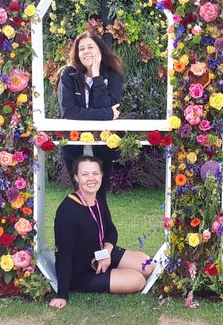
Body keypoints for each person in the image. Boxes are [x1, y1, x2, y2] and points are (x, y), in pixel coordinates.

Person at [48, 155, 154, 308]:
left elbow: (111, 231)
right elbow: (64, 255)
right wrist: (62, 295)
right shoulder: (68, 210)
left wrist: (106, 252)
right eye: (85, 174)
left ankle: (111, 266)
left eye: (95, 173)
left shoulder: (98, 201)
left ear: (102, 175)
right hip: (82, 272)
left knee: (148, 265)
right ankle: (111, 273)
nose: (91, 178)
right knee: (138, 280)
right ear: (76, 177)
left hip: (100, 253)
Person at [56, 30, 123, 194]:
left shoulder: (113, 75)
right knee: (80, 195)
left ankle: (101, 221)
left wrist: (96, 76)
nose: (86, 51)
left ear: (100, 50)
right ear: (77, 54)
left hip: (104, 144)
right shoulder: (68, 75)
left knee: (99, 196)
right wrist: (106, 114)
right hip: (74, 144)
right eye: (81, 48)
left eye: (90, 47)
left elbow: (109, 104)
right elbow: (70, 112)